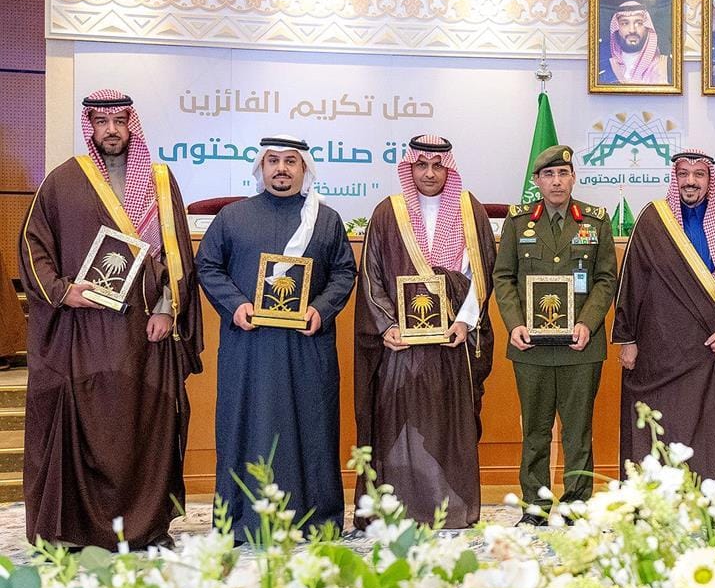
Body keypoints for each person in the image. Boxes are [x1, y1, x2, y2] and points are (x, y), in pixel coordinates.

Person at [18, 90, 201, 549]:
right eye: (102, 122)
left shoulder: (160, 181)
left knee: (147, 428)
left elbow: (177, 252)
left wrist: (167, 308)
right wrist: (64, 292)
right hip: (83, 333)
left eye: (119, 121)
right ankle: (77, 530)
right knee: (88, 426)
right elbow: (32, 247)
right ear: (91, 127)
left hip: (146, 333)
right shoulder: (63, 181)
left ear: (131, 125)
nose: (112, 130)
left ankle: (148, 526)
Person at [195, 135, 357, 541]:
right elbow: (208, 265)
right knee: (247, 425)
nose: (281, 169)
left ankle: (316, 520)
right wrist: (235, 304)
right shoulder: (232, 217)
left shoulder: (326, 220)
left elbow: (344, 272)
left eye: (290, 161)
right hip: (249, 347)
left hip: (307, 346)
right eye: (272, 161)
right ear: (261, 167)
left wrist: (321, 309)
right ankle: (241, 520)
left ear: (304, 169)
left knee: (311, 427)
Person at [354, 135, 497, 528]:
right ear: (410, 167)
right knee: (397, 421)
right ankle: (395, 509)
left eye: (437, 166)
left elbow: (482, 274)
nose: (429, 173)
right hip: (402, 345)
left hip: (452, 342)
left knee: (449, 425)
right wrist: (387, 325)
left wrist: (464, 321)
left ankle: (449, 509)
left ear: (448, 169)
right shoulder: (388, 212)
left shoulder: (470, 210)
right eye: (421, 165)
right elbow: (371, 275)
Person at [612, 149, 715, 489]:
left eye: (699, 175)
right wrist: (628, 339)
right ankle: (662, 502)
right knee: (665, 430)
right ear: (674, 178)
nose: (690, 181)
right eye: (683, 174)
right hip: (663, 354)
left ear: (710, 179)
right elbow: (632, 282)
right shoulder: (654, 218)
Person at [493, 144, 617, 520]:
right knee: (535, 431)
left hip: (581, 345)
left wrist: (588, 322)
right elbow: (504, 277)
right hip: (530, 346)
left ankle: (577, 504)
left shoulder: (595, 221)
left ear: (573, 177)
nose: (557, 181)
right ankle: (536, 504)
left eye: (563, 173)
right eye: (548, 175)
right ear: (537, 181)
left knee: (578, 431)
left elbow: (605, 279)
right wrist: (515, 324)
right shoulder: (518, 222)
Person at [598, 0, 671, 85]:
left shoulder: (665, 66)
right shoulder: (602, 64)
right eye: (624, 23)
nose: (632, 30)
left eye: (639, 23)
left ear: (647, 28)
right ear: (617, 28)